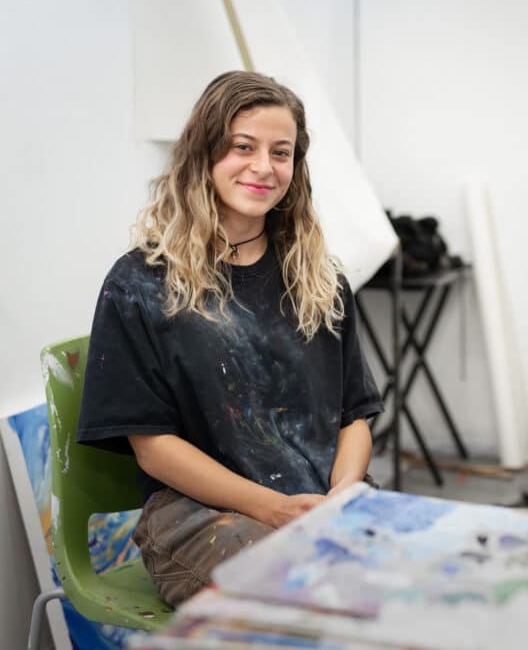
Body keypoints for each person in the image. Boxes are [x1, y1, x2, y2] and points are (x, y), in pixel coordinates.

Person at [76, 70, 383, 606]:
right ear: (204, 154)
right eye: (244, 147)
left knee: (428, 578)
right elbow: (153, 449)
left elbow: (352, 417)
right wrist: (273, 509)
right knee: (311, 593)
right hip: (197, 519)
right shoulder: (142, 284)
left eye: (281, 152)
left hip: (318, 505)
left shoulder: (318, 280)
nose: (264, 167)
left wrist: (342, 496)